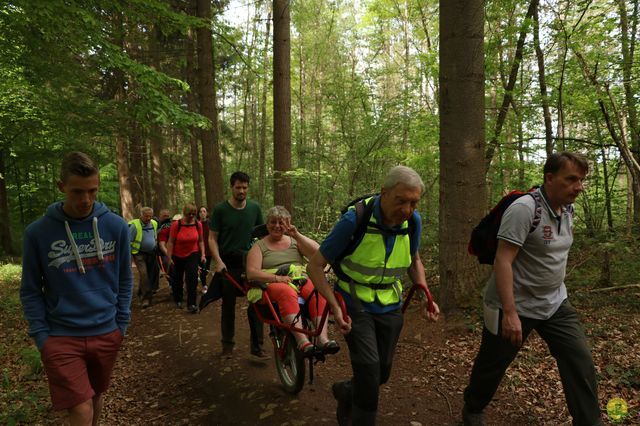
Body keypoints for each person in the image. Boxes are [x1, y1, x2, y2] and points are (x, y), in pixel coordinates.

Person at [462, 152, 602, 426]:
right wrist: (511, 313)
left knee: (579, 361)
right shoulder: (525, 209)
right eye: (571, 179)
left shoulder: (568, 208)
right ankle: (473, 407)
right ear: (549, 178)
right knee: (493, 362)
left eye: (582, 180)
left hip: (554, 303)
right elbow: (503, 260)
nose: (579, 187)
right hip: (513, 304)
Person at [307, 165, 440, 425]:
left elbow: (414, 261)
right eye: (401, 201)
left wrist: (424, 293)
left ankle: (346, 391)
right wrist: (334, 305)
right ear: (384, 193)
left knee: (381, 372)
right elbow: (315, 266)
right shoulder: (354, 220)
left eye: (413, 203)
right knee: (368, 370)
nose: (407, 210)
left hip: (390, 302)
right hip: (353, 300)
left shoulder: (413, 222)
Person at [20, 151, 133, 425]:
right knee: (80, 408)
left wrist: (121, 324)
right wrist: (42, 337)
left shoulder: (116, 226)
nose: (86, 200)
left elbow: (124, 279)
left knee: (95, 396)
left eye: (92, 191)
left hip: (106, 331)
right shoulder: (38, 232)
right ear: (61, 188)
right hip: (60, 336)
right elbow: (31, 289)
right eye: (77, 192)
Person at [246, 206, 338, 354]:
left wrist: (297, 235)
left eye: (281, 222)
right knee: (285, 291)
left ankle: (323, 339)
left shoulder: (295, 242)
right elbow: (251, 273)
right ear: (267, 224)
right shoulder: (259, 246)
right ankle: (302, 341)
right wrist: (278, 278)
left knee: (317, 291)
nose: (277, 226)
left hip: (299, 281)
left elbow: (319, 253)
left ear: (287, 224)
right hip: (272, 285)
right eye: (273, 222)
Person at [209, 171, 266, 359]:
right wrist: (218, 261)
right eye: (238, 187)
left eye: (244, 187)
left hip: (251, 261)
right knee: (228, 305)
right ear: (231, 187)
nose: (241, 191)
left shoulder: (255, 208)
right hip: (228, 263)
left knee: (257, 301)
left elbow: (262, 236)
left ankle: (257, 346)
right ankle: (227, 345)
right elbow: (212, 238)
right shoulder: (220, 210)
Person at [166, 203, 206, 313]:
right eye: (189, 214)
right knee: (177, 278)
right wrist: (169, 258)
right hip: (177, 255)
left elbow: (201, 241)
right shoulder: (176, 225)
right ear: (184, 213)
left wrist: (202, 255)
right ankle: (178, 298)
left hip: (193, 253)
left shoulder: (198, 225)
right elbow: (170, 242)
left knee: (192, 278)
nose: (192, 216)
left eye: (194, 214)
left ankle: (191, 304)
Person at [128, 206, 159, 308]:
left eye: (150, 216)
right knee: (144, 274)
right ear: (141, 215)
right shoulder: (134, 226)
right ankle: (146, 299)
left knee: (149, 275)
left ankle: (141, 292)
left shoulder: (154, 223)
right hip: (139, 253)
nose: (149, 218)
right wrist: (129, 257)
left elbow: (155, 236)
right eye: (146, 216)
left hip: (151, 253)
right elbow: (128, 241)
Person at [197, 206, 212, 292]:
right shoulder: (196, 224)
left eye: (204, 211)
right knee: (203, 267)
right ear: (198, 214)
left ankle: (201, 276)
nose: (202, 213)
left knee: (206, 270)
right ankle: (204, 285)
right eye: (201, 212)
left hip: (209, 250)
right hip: (199, 250)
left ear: (207, 213)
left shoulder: (210, 223)